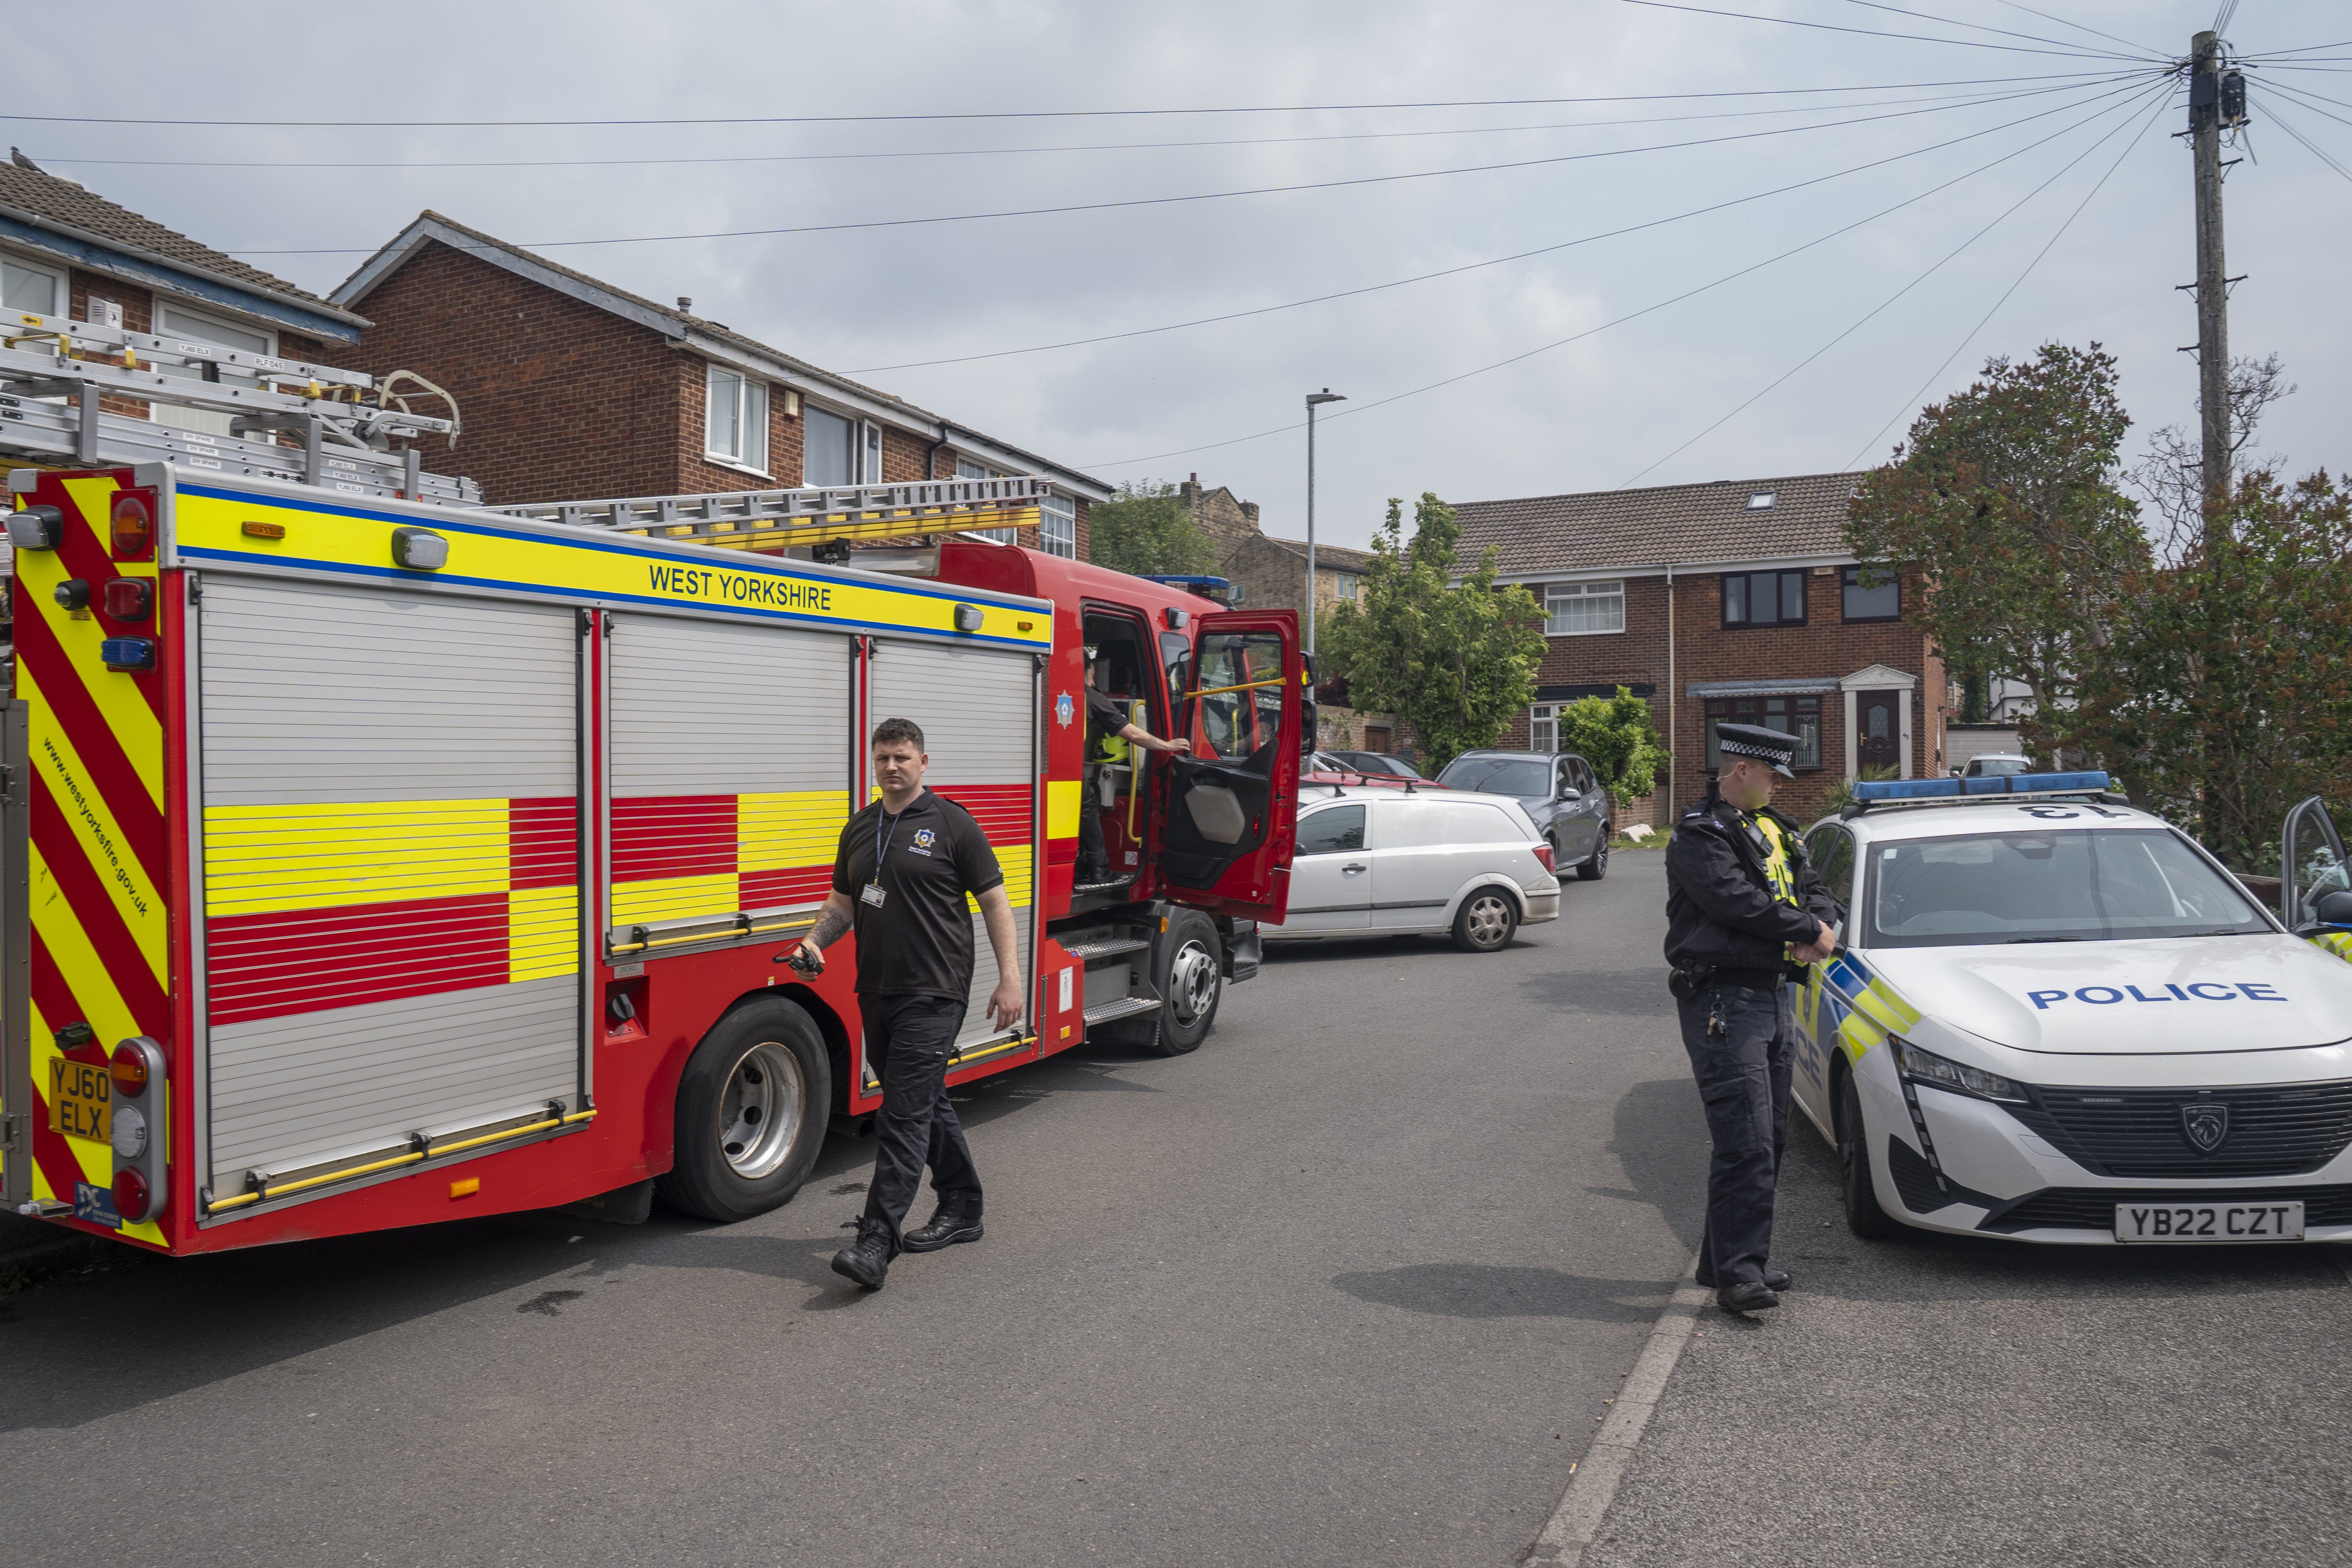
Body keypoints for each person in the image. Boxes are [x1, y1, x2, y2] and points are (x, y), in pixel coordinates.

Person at [791, 716, 1025, 1291]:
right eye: (883, 758)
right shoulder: (860, 828)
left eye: (902, 757)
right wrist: (814, 942)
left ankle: (877, 1241)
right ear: (873, 765)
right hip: (876, 990)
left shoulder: (952, 825)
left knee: (901, 1115)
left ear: (924, 762)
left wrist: (1011, 978)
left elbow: (996, 903)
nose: (892, 767)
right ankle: (964, 1205)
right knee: (917, 1100)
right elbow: (843, 903)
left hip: (936, 990)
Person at [1663, 722, 1840, 1315]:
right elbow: (1735, 901)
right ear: (1742, 771)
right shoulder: (1699, 836)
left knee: (1770, 1137)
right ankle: (1741, 1278)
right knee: (1745, 1140)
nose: (1778, 786)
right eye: (1771, 774)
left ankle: (1728, 1259)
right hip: (1724, 999)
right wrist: (1806, 931)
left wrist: (1819, 923)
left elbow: (1815, 890)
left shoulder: (1778, 829)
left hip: (1770, 996)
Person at [1075, 645, 1191, 885]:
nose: (1094, 682)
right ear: (1084, 671)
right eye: (1092, 675)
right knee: (1087, 807)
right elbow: (1134, 735)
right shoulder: (1090, 697)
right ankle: (1099, 869)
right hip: (1066, 774)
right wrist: (1168, 746)